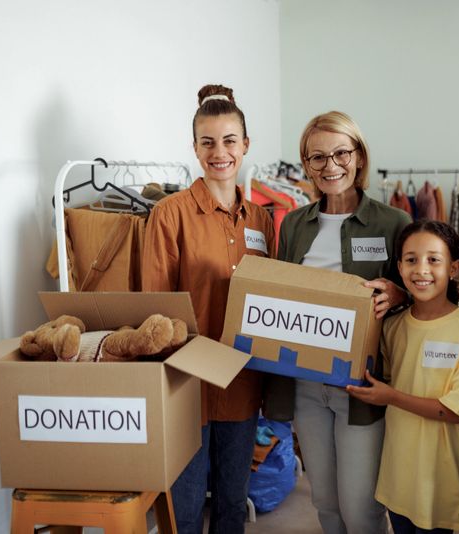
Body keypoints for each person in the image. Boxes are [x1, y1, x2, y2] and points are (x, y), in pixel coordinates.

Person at [264, 111, 412, 534]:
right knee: (325, 503)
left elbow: (426, 291)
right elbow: (280, 296)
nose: (331, 166)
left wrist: (398, 293)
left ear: (359, 156)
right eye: (317, 158)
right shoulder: (293, 223)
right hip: (307, 387)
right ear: (306, 165)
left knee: (360, 508)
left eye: (341, 153)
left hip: (362, 386)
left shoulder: (393, 223)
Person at [142, 84, 275, 534]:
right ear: (195, 148)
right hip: (187, 387)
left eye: (229, 140)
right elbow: (155, 314)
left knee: (233, 507)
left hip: (242, 381)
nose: (220, 152)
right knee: (183, 509)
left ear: (246, 145)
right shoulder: (169, 214)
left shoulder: (261, 220)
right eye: (208, 142)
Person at [347, 220, 459, 534]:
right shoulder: (393, 327)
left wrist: (390, 397)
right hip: (398, 476)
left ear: (454, 267)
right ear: (399, 266)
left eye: (434, 259)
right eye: (411, 260)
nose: (421, 269)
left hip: (440, 483)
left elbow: (455, 409)